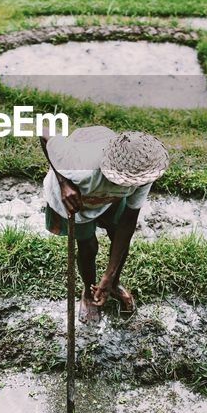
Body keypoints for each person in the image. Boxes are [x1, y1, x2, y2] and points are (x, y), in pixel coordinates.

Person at [40, 126, 169, 323]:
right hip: (76, 199)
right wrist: (64, 183)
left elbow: (128, 221)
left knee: (119, 237)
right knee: (88, 246)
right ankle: (89, 291)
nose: (132, 185)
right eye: (125, 181)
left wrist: (109, 275)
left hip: (110, 199)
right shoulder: (79, 163)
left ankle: (112, 284)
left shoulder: (144, 170)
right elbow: (44, 130)